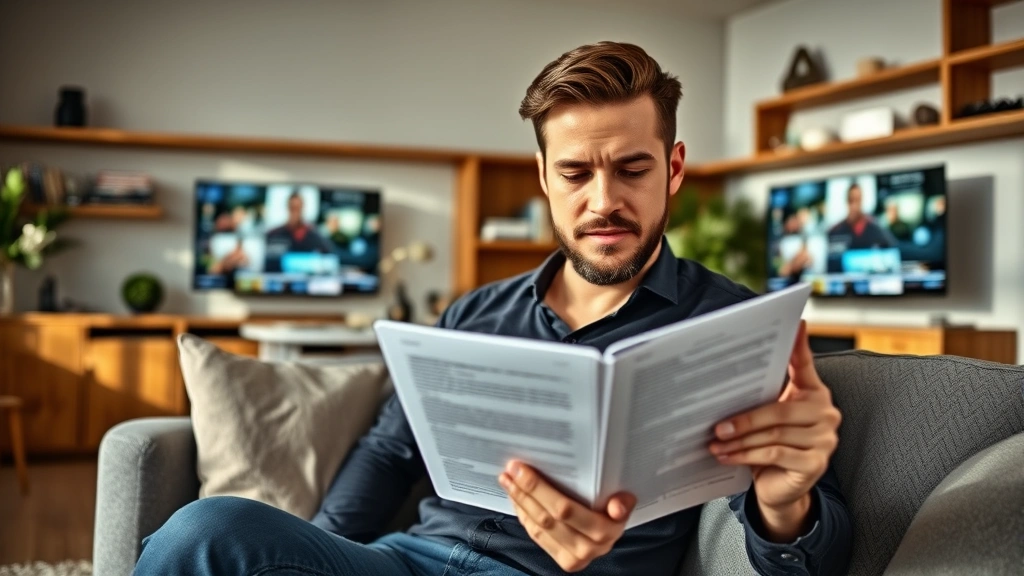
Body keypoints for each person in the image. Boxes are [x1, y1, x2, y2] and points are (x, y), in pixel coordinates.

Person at [135, 42, 851, 576]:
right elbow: (390, 450)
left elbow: (805, 548)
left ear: (674, 167)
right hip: (405, 562)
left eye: (632, 168)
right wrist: (323, 550)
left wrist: (787, 506)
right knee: (203, 530)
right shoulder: (475, 312)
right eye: (575, 173)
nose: (604, 201)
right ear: (543, 176)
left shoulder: (736, 327)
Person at [264, 191, 334, 271]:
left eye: (298, 208)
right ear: (287, 208)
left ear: (303, 208)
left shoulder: (315, 236)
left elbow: (329, 261)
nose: (295, 212)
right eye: (292, 208)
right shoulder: (273, 235)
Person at [828, 183, 896, 249]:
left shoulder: (877, 229)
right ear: (846, 201)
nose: (854, 205)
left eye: (857, 200)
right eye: (851, 200)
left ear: (862, 200)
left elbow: (893, 248)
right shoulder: (835, 232)